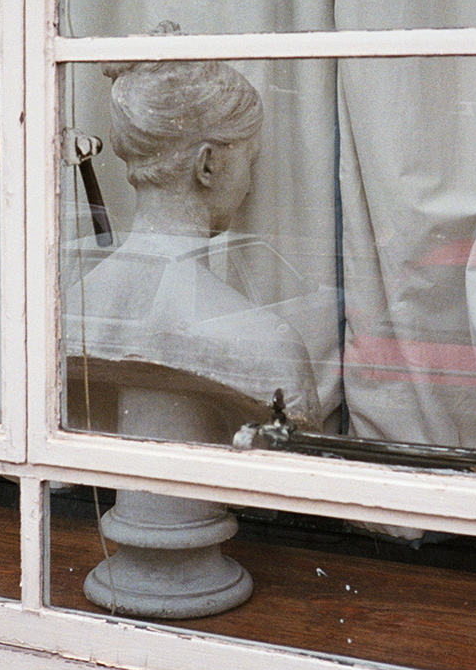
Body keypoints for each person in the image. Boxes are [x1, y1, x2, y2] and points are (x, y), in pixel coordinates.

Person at [64, 49, 320, 438]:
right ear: (207, 164)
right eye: (249, 163)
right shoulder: (268, 346)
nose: (249, 186)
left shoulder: (67, 310)